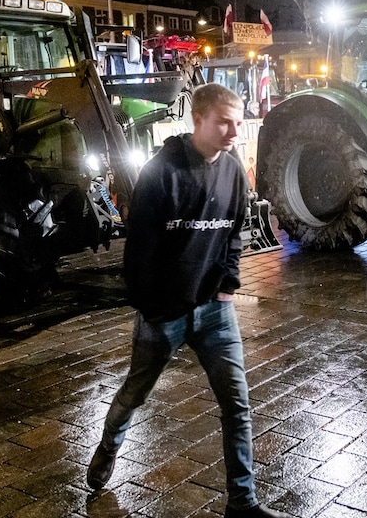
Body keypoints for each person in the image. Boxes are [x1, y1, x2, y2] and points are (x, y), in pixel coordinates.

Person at [87, 83, 289, 518]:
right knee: (134, 394)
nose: (234, 132)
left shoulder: (233, 170)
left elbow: (235, 232)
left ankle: (242, 502)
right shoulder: (162, 173)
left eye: (238, 122)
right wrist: (151, 306)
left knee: (237, 404)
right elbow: (137, 250)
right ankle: (107, 445)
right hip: (164, 316)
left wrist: (227, 283)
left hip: (214, 311)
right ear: (198, 121)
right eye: (224, 122)